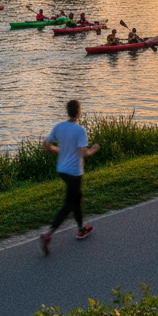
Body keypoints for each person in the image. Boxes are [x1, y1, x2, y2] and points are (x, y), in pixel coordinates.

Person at [40, 99, 101, 254]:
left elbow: (46, 146)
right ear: (79, 112)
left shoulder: (59, 127)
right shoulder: (80, 131)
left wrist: (59, 151)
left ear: (67, 111)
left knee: (76, 198)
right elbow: (83, 153)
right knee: (69, 204)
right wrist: (94, 149)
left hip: (62, 170)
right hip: (74, 172)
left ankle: (81, 228)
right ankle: (48, 234)